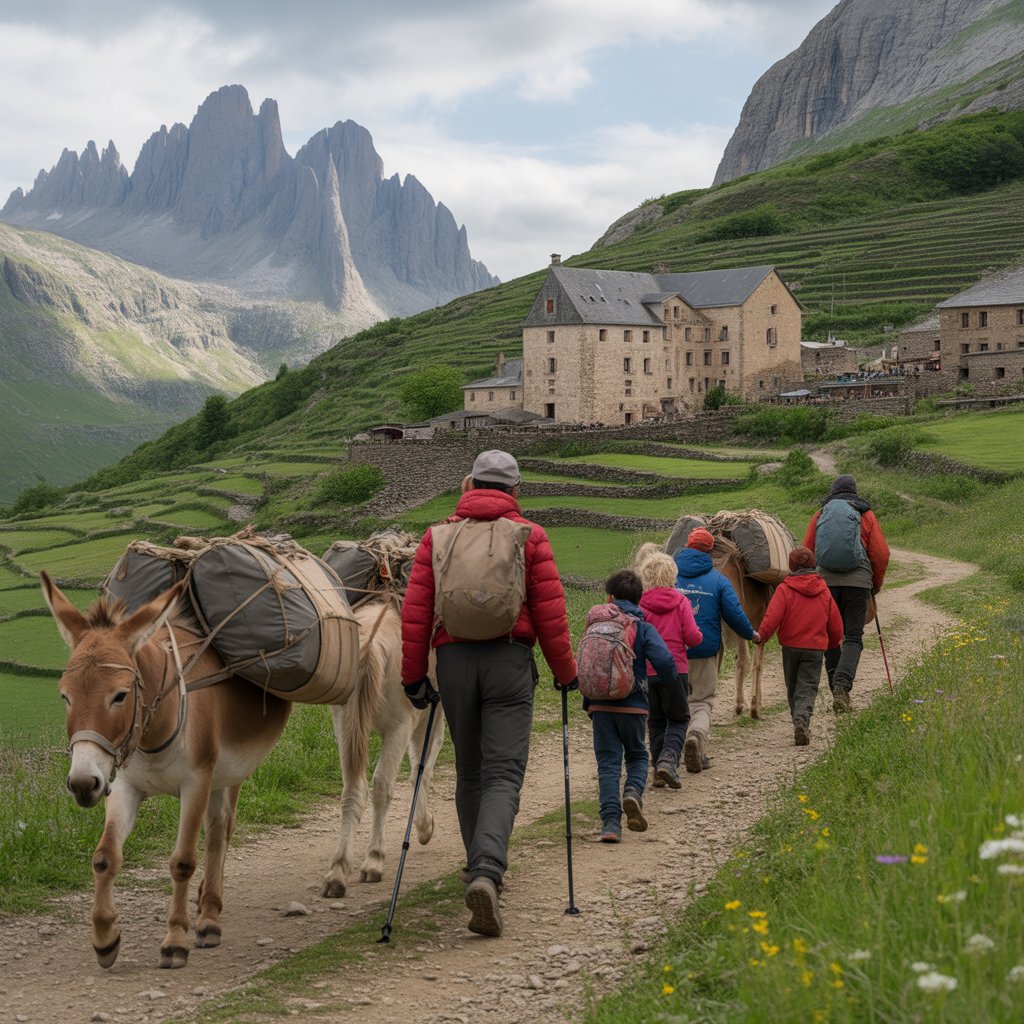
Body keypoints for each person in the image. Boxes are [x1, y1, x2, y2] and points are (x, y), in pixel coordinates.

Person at [401, 450, 577, 938]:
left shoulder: (437, 537)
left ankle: (476, 865)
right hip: (509, 660)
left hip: (453, 662)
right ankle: (487, 871)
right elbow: (550, 612)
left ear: (469, 484)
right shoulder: (530, 536)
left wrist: (413, 676)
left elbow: (415, 612)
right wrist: (566, 672)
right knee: (504, 772)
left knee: (470, 769)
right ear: (515, 491)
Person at [584, 569, 677, 843]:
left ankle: (611, 825)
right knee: (637, 756)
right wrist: (671, 685)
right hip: (634, 705)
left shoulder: (595, 625)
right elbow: (665, 662)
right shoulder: (642, 626)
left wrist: (589, 701)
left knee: (608, 763)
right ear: (639, 600)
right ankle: (633, 793)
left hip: (600, 706)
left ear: (609, 597)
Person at [803, 474, 890, 713]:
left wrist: (812, 583)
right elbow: (881, 554)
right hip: (858, 583)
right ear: (854, 492)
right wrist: (875, 584)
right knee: (853, 637)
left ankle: (835, 687)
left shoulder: (821, 514)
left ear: (833, 492)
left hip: (826, 585)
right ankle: (842, 686)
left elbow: (807, 552)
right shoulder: (865, 514)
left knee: (832, 637)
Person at [673, 528, 755, 773]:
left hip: (671, 653)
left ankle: (669, 754)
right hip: (704, 651)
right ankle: (696, 738)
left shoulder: (669, 575)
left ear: (687, 545)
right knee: (702, 702)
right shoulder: (718, 580)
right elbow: (734, 613)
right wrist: (751, 633)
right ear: (710, 551)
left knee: (676, 703)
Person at [753, 546, 843, 745]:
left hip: (790, 647)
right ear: (813, 564)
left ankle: (798, 718)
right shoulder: (824, 590)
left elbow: (772, 616)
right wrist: (834, 642)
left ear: (791, 566)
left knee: (792, 685)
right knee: (808, 687)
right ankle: (802, 719)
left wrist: (762, 636)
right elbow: (835, 623)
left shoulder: (784, 589)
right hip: (815, 648)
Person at [636, 552, 703, 788]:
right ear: (672, 574)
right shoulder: (680, 601)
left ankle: (657, 769)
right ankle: (668, 760)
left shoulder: (640, 604)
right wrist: (699, 635)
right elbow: (693, 638)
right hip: (675, 669)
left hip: (648, 671)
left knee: (655, 721)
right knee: (679, 718)